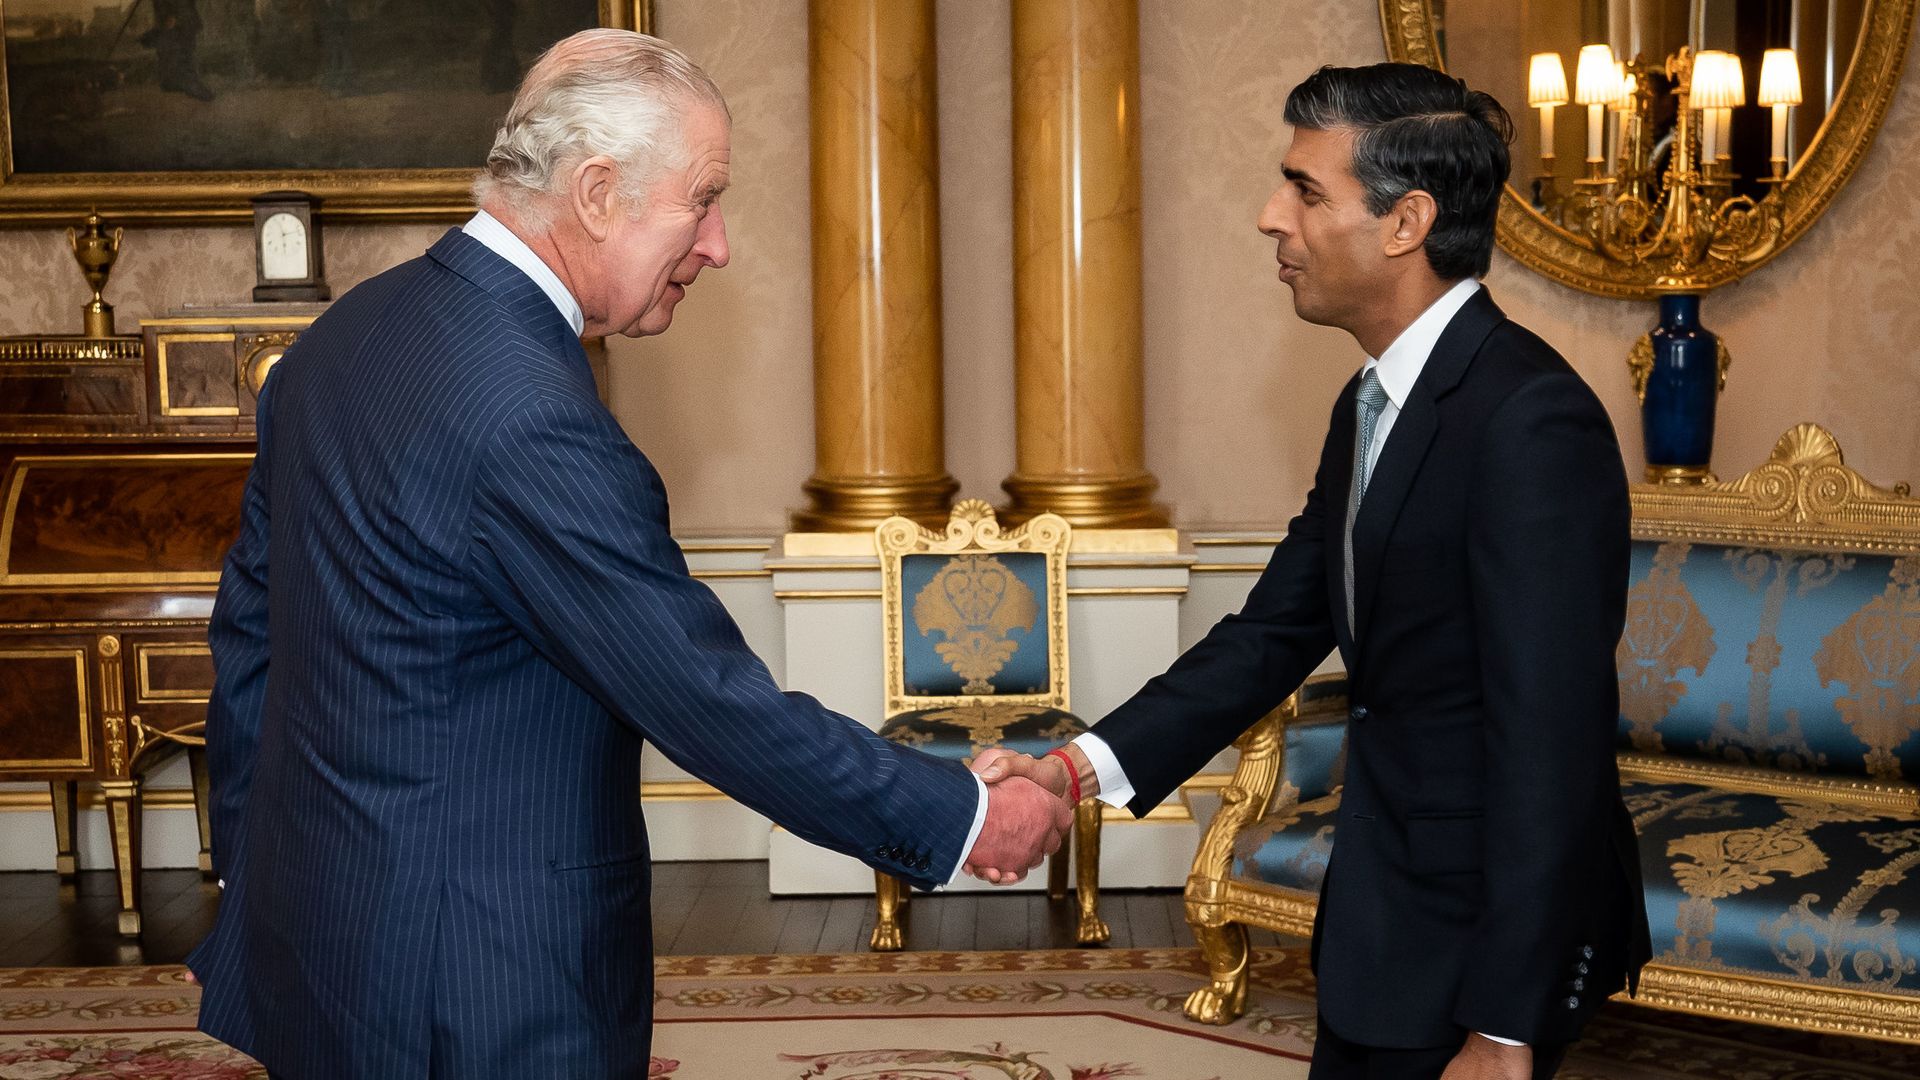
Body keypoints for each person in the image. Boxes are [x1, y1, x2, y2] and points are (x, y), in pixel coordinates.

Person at [186, 29, 1069, 1079]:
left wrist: (251, 870)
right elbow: (703, 698)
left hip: (322, 940)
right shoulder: (527, 417)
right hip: (476, 984)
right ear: (598, 194)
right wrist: (962, 812)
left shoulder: (343, 339)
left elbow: (249, 637)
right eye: (704, 198)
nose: (720, 243)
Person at [977, 63, 1653, 1080]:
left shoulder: (1527, 420)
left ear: (1405, 222)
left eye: (1304, 188)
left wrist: (1506, 1029)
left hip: (1474, 945)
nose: (1269, 217)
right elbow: (1272, 634)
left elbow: (1551, 741)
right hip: (1390, 912)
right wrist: (1075, 771)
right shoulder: (1371, 405)